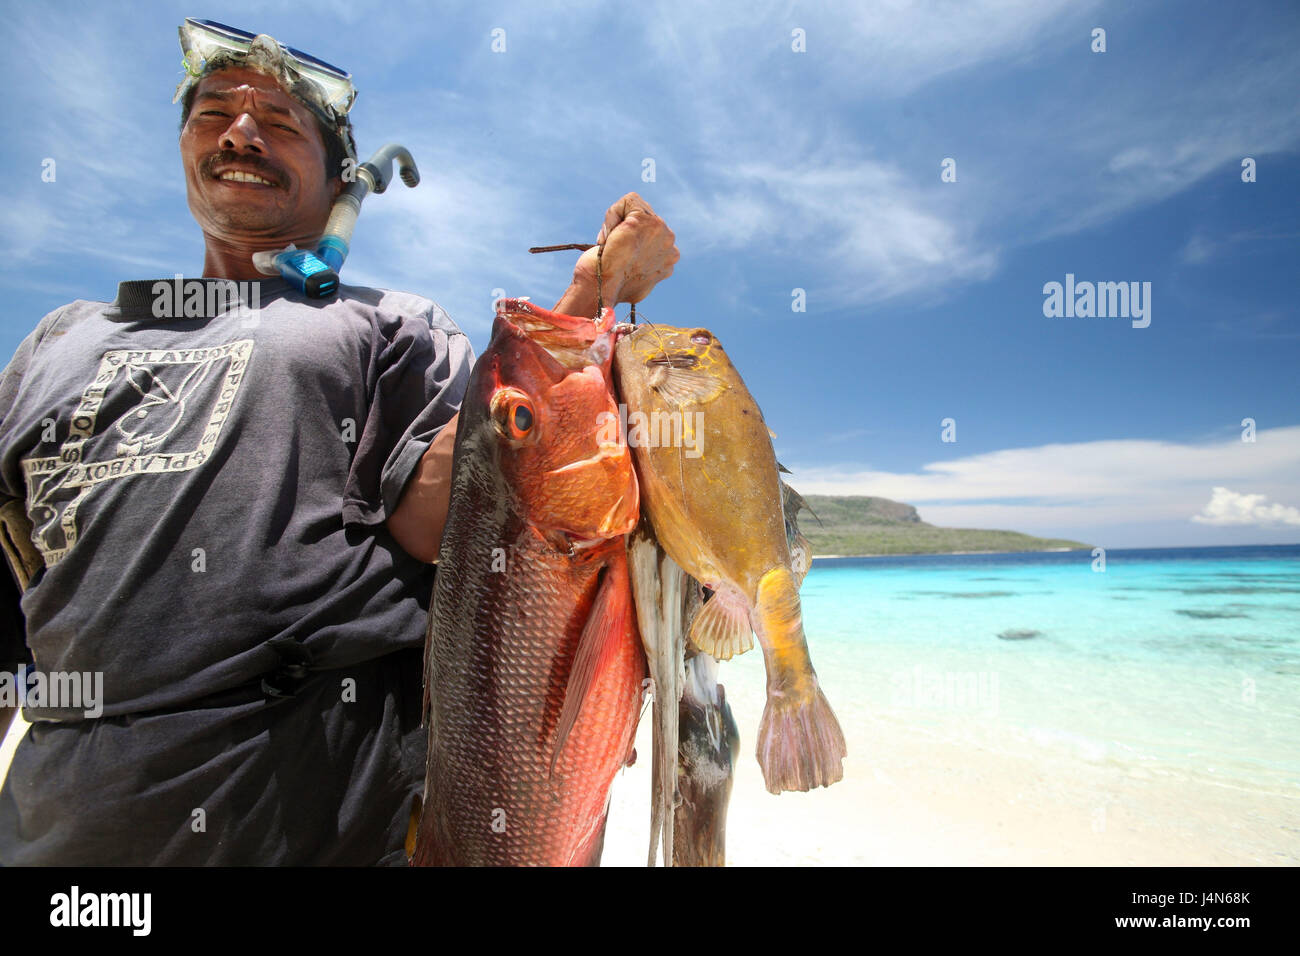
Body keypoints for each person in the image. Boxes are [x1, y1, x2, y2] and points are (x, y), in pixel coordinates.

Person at [0, 20, 677, 865]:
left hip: (324, 823)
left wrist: (584, 299)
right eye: (214, 115)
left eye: (280, 124)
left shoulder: (383, 323)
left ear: (332, 181)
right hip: (63, 840)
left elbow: (467, 515)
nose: (241, 133)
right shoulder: (55, 343)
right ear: (183, 147)